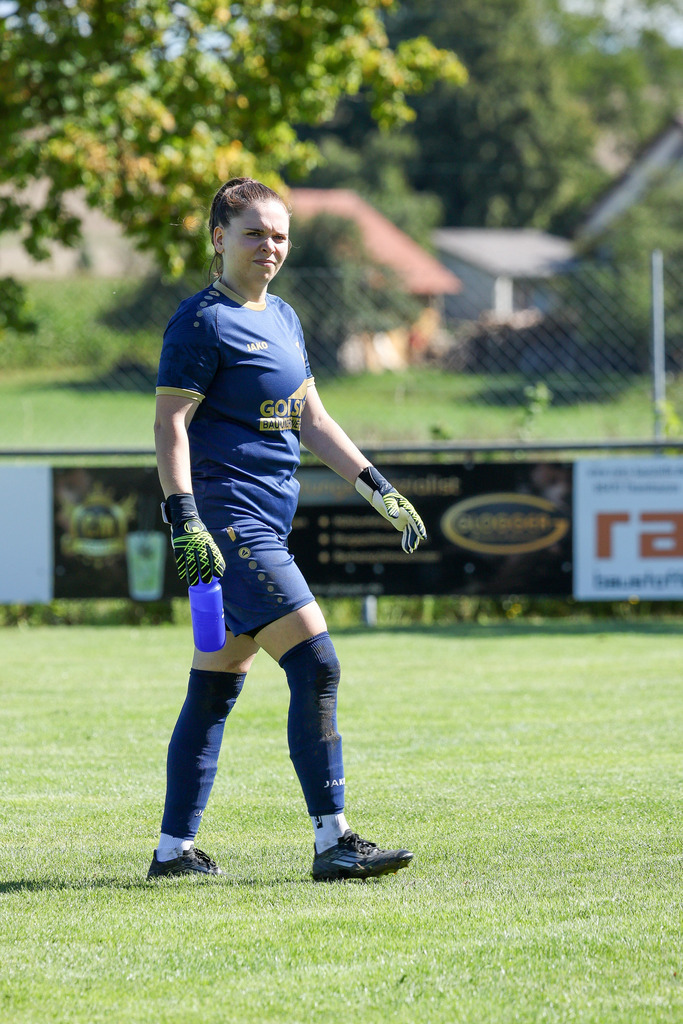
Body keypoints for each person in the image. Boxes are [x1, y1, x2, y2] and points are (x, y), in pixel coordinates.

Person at [148, 177, 427, 882]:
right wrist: (185, 518)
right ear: (219, 238)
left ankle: (172, 852)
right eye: (254, 233)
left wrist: (378, 486)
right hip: (228, 522)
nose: (269, 246)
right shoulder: (200, 322)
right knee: (316, 663)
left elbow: (314, 420)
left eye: (279, 235)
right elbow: (170, 424)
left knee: (214, 688)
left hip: (265, 520)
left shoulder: (284, 318)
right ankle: (335, 840)